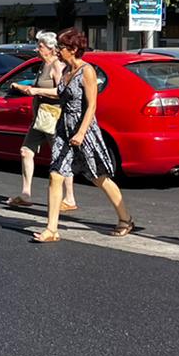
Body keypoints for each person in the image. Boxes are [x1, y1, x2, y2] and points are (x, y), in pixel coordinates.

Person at [30, 28, 135, 244]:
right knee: (55, 175)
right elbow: (59, 94)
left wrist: (80, 132)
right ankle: (51, 229)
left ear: (74, 49)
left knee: (99, 177)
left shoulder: (87, 71)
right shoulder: (66, 70)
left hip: (83, 130)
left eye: (61, 47)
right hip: (63, 128)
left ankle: (125, 218)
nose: (58, 50)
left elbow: (92, 106)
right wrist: (33, 91)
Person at [6, 31, 76, 211]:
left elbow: (62, 92)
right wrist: (25, 88)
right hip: (41, 118)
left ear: (51, 49)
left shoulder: (56, 66)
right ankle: (25, 194)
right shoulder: (42, 66)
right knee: (25, 151)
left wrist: (35, 91)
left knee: (61, 157)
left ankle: (69, 198)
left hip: (53, 117)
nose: (37, 49)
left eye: (41, 46)